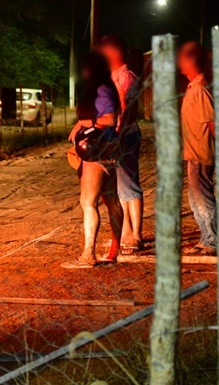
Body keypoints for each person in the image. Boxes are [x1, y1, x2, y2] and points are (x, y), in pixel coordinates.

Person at [63, 52, 125, 269]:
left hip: (96, 153)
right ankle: (115, 250)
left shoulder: (101, 90)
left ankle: (88, 254)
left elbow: (109, 119)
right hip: (107, 151)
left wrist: (83, 122)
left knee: (88, 202)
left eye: (85, 69)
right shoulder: (106, 89)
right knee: (111, 200)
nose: (83, 73)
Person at [97, 35, 144, 255]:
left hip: (125, 135)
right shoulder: (113, 76)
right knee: (119, 185)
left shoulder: (126, 76)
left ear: (113, 53)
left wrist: (117, 136)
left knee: (129, 183)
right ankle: (126, 230)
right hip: (115, 135)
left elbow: (126, 110)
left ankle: (136, 234)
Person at [178, 41, 217, 255]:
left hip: (201, 154)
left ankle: (212, 241)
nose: (179, 61)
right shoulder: (193, 87)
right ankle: (206, 238)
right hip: (193, 153)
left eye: (183, 56)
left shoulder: (201, 88)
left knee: (203, 198)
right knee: (196, 199)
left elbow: (214, 122)